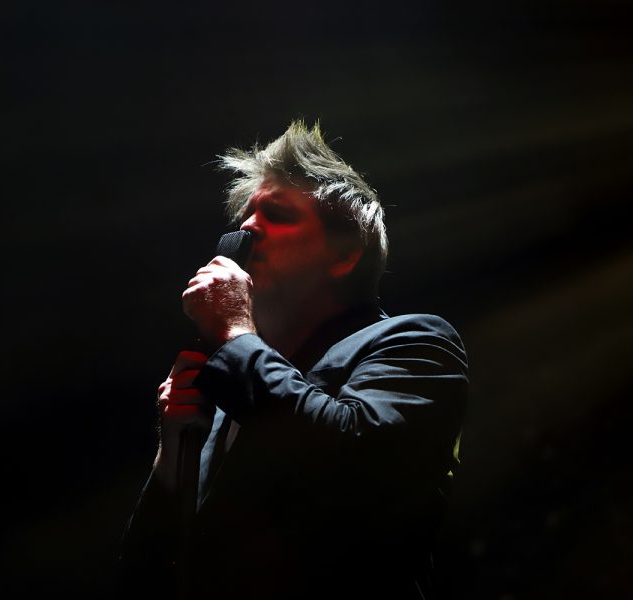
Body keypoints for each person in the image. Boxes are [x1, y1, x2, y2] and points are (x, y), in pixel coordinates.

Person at [119, 121, 468, 599]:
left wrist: (235, 334)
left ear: (345, 255)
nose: (247, 227)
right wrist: (173, 452)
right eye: (248, 213)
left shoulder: (415, 344)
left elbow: (353, 463)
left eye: (277, 214)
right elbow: (147, 573)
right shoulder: (229, 395)